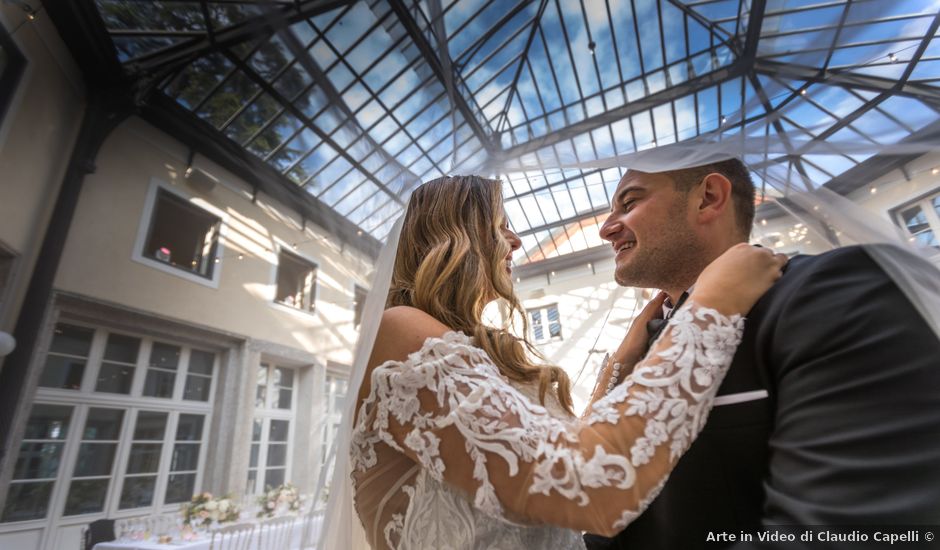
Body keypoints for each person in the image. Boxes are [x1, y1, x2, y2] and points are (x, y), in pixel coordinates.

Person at [347, 175, 786, 549]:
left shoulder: (476, 348)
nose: (516, 240)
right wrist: (711, 306)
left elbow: (558, 451)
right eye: (499, 225)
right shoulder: (399, 332)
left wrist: (621, 364)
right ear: (450, 236)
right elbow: (584, 485)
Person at [585, 160, 940, 550]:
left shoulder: (827, 292)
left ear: (708, 198)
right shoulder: (639, 345)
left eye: (629, 203)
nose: (606, 228)